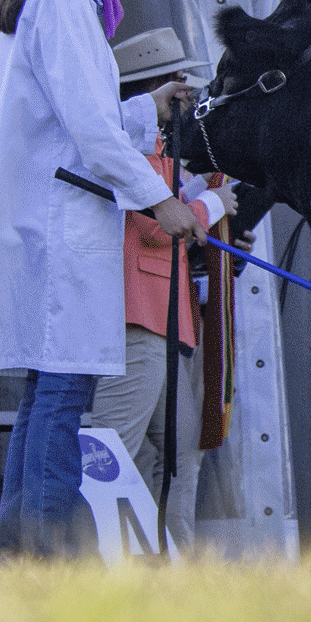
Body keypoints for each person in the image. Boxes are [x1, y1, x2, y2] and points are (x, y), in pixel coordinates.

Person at [0, 0, 206, 558]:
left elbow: (80, 112)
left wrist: (146, 104)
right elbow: (87, 127)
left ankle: (17, 553)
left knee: (43, 396)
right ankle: (46, 559)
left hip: (43, 222)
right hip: (63, 227)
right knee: (61, 398)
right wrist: (159, 200)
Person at [83, 28, 232, 552]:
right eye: (178, 81)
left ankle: (168, 572)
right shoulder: (125, 149)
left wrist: (200, 197)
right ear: (154, 87)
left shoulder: (157, 151)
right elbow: (153, 227)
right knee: (112, 449)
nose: (187, 91)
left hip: (169, 323)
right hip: (138, 318)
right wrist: (212, 207)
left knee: (178, 456)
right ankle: (85, 567)